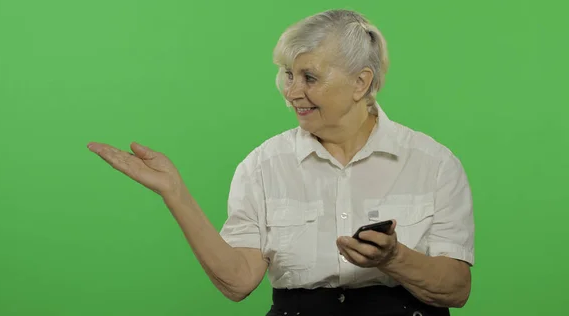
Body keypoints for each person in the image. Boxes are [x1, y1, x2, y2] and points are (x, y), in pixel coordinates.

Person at [87, 9, 474, 316]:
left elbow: (456, 289)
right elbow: (238, 282)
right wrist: (175, 193)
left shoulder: (433, 164)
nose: (291, 93)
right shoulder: (261, 167)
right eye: (288, 75)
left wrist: (394, 258)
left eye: (309, 77)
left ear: (361, 83)